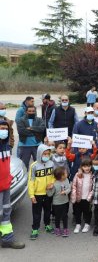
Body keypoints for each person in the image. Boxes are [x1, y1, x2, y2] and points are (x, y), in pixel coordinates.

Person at [0, 120, 25, 248]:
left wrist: (8, 178)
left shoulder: (6, 146)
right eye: (1, 128)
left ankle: (7, 239)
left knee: (6, 212)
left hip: (5, 186)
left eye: (5, 129)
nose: (3, 131)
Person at [28, 144, 55, 240]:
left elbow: (54, 177)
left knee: (48, 211)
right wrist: (31, 195)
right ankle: (35, 228)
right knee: (36, 212)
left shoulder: (51, 164)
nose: (46, 156)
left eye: (48, 154)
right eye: (44, 154)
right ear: (39, 154)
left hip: (48, 193)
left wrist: (52, 184)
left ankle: (47, 225)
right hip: (37, 194)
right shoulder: (34, 166)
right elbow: (31, 181)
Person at [17, 105, 46, 170]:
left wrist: (31, 128)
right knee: (24, 165)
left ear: (35, 111)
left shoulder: (39, 119)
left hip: (37, 145)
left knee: (40, 164)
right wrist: (35, 132)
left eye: (33, 111)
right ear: (26, 112)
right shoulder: (21, 120)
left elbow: (42, 129)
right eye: (29, 111)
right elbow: (21, 131)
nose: (31, 112)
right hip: (24, 145)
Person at [46, 166, 71, 237]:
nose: (67, 174)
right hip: (56, 204)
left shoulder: (67, 180)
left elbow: (69, 188)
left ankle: (65, 229)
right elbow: (50, 194)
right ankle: (57, 228)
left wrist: (65, 192)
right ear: (61, 176)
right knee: (57, 217)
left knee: (64, 216)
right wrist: (48, 189)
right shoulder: (55, 184)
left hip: (65, 202)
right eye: (65, 173)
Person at [71, 159, 93, 234]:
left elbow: (94, 188)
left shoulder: (92, 175)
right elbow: (74, 185)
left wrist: (89, 198)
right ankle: (78, 224)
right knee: (77, 211)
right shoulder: (78, 174)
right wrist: (74, 197)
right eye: (85, 166)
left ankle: (87, 224)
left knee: (87, 212)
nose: (87, 168)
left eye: (89, 166)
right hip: (78, 197)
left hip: (87, 198)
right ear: (82, 167)